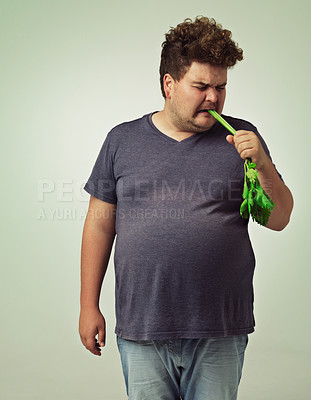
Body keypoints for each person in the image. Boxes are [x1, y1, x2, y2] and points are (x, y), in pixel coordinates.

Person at [79, 16, 293, 400]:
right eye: (201, 86)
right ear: (169, 84)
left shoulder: (243, 140)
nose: (214, 97)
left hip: (219, 329)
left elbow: (278, 218)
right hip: (143, 327)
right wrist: (87, 305)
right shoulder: (121, 140)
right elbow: (99, 225)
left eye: (221, 87)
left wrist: (261, 162)